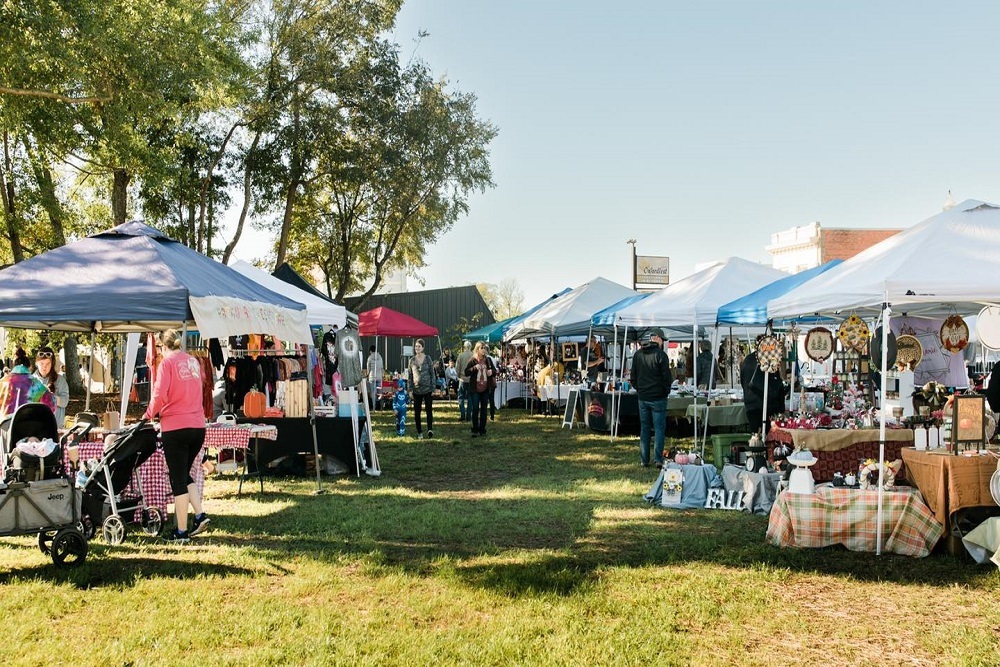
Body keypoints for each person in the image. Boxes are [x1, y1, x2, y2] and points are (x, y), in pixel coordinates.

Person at [143, 329, 209, 543]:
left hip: (176, 427)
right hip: (197, 426)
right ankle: (200, 515)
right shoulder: (193, 362)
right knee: (184, 473)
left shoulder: (167, 364)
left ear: (163, 346)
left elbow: (159, 394)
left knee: (177, 479)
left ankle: (181, 532)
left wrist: (147, 415)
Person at [630, 328, 672, 468]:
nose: (663, 343)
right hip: (658, 397)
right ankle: (658, 459)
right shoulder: (661, 355)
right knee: (659, 429)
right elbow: (667, 378)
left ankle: (644, 459)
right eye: (662, 340)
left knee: (645, 428)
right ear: (658, 338)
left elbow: (633, 377)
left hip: (643, 397)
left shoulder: (638, 354)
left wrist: (640, 389)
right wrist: (665, 392)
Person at [740, 336, 786, 435]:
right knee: (769, 436)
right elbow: (777, 385)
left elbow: (743, 381)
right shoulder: (770, 359)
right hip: (768, 405)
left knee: (755, 436)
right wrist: (781, 407)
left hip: (751, 405)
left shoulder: (747, 360)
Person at [32, 346, 70, 426]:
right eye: (42, 363)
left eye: (48, 364)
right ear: (36, 363)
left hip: (56, 426)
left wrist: (51, 397)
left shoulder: (60, 380)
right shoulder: (31, 380)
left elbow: (65, 401)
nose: (44, 367)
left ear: (52, 364)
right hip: (36, 426)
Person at [464, 341, 496, 437]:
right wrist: (474, 368)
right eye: (482, 348)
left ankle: (482, 429)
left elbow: (494, 370)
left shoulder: (488, 360)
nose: (484, 350)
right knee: (475, 409)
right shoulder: (473, 360)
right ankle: (475, 429)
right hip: (475, 389)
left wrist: (491, 371)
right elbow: (466, 372)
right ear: (477, 349)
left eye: (485, 348)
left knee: (484, 410)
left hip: (485, 388)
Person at [407, 338, 436, 439]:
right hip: (416, 390)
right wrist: (410, 390)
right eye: (416, 346)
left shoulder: (428, 359)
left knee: (429, 410)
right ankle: (419, 432)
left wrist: (433, 388)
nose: (417, 348)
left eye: (419, 346)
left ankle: (430, 429)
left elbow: (432, 374)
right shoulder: (412, 360)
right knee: (417, 412)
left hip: (427, 389)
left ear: (423, 348)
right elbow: (410, 376)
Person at [455, 341, 474, 421]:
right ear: (471, 347)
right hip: (471, 380)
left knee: (461, 397)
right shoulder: (473, 356)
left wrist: (458, 376)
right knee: (470, 397)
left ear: (464, 347)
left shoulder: (461, 355)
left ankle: (462, 414)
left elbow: (457, 368)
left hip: (462, 379)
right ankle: (469, 416)